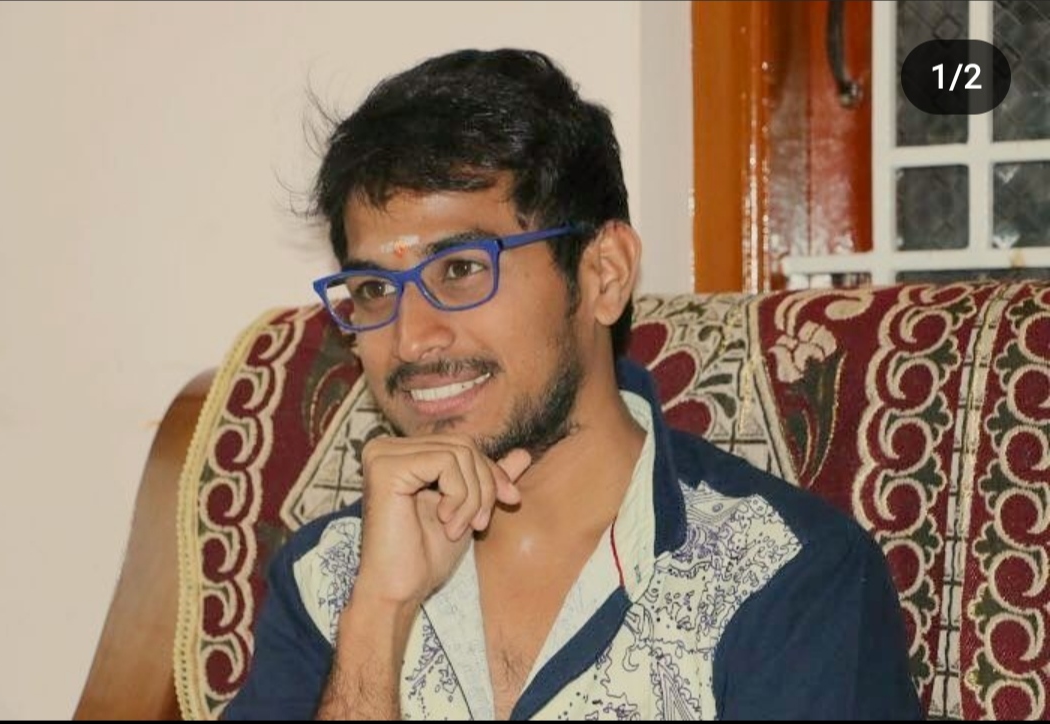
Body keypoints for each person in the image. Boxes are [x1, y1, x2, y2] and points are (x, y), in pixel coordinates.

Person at [223, 48, 922, 721]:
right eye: (375, 289)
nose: (410, 340)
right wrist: (380, 614)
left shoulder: (783, 577)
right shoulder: (332, 578)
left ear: (603, 275)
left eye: (461, 270)